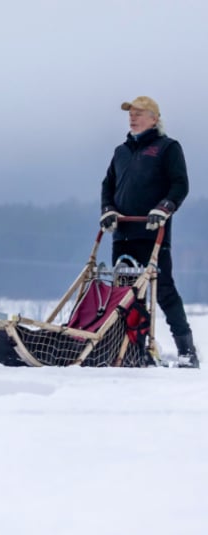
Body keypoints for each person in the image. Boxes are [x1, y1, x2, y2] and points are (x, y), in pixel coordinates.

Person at [100, 95, 198, 368]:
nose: (133, 117)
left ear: (154, 119)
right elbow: (107, 186)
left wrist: (165, 207)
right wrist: (107, 210)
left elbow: (180, 185)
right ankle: (133, 350)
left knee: (163, 290)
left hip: (153, 234)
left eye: (139, 113)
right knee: (126, 294)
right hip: (122, 234)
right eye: (131, 113)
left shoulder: (167, 148)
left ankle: (187, 351)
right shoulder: (121, 151)